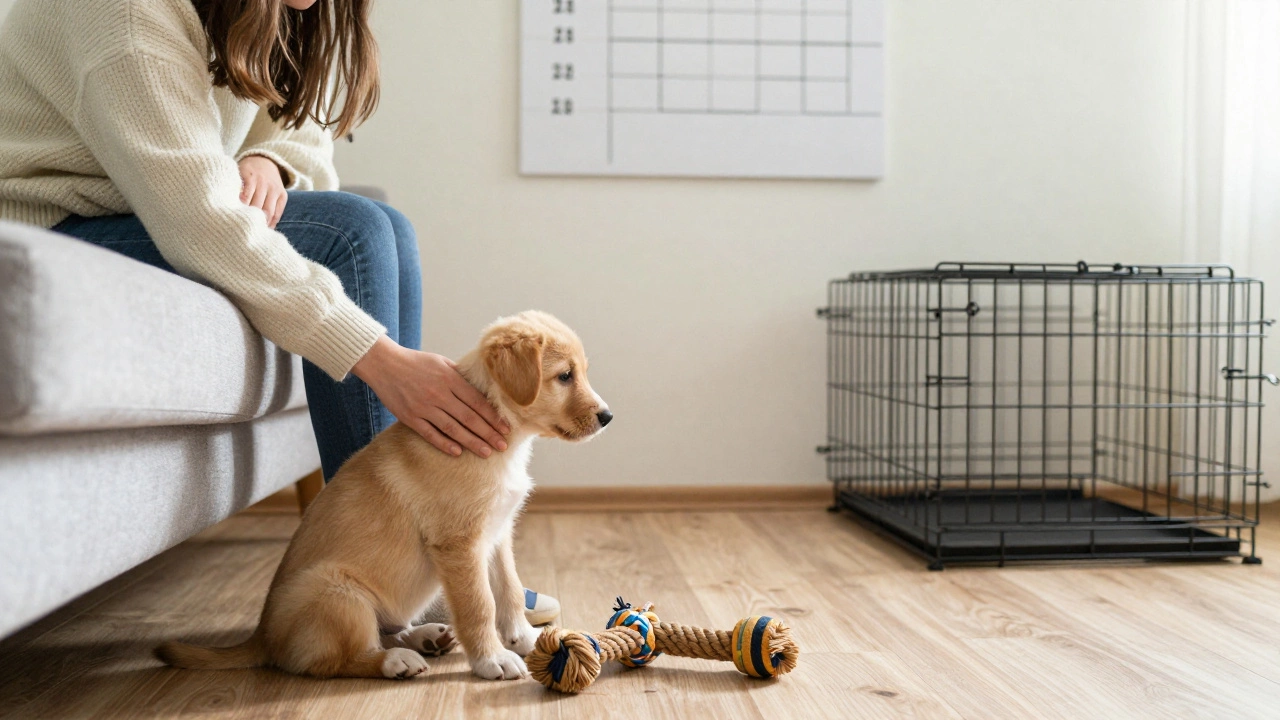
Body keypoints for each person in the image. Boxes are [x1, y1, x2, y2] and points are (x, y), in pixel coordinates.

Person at [0, 0, 559, 626]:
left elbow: (302, 123)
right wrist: (382, 360)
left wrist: (271, 158)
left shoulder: (272, 7)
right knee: (353, 236)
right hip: (50, 221)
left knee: (384, 227)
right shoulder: (125, 14)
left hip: (135, 202)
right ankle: (398, 566)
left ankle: (420, 562)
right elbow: (198, 219)